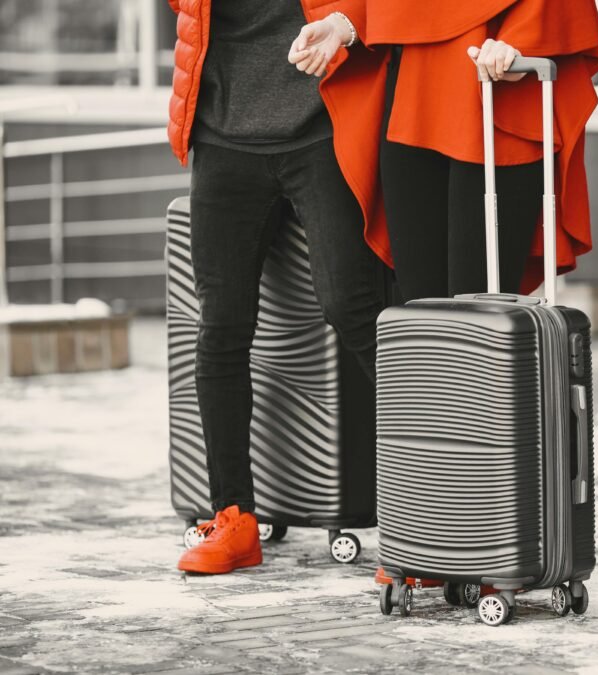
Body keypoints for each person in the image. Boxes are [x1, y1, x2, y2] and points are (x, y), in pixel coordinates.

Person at [166, 0, 384, 574]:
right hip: (223, 135)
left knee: (353, 304)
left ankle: (436, 502)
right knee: (220, 328)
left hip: (322, 129)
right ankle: (233, 518)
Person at [288, 1, 598, 301]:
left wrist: (525, 39)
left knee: (480, 314)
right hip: (411, 97)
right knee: (421, 311)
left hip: (495, 97)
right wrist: (348, 21)